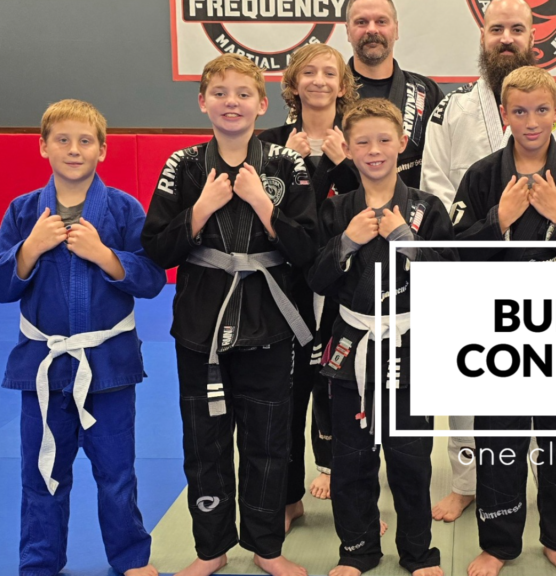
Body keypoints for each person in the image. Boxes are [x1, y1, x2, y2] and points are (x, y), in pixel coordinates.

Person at [420, 0, 556, 523]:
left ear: (533, 36)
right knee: (474, 397)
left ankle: (553, 503)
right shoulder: (448, 109)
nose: (505, 37)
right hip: (477, 273)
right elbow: (434, 188)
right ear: (482, 35)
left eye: (516, 29)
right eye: (495, 28)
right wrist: (489, 227)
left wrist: (554, 224)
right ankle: (468, 482)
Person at [141, 53, 317, 576]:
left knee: (269, 442)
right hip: (201, 329)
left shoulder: (288, 165)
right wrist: (201, 208)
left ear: (263, 104)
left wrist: (263, 204)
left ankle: (267, 549)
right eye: (220, 93)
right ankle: (210, 549)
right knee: (204, 444)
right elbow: (156, 250)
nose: (232, 102)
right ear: (202, 102)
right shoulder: (184, 165)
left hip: (269, 326)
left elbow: (309, 251)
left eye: (244, 93)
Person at [0, 99, 165, 576]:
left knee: (117, 474)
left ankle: (130, 558)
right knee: (41, 475)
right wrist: (29, 249)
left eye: (85, 141)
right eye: (62, 140)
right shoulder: (24, 213)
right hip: (42, 364)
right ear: (43, 147)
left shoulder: (122, 209)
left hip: (109, 368)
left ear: (103, 150)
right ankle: (39, 561)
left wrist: (105, 255)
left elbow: (151, 278)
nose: (74, 149)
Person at [453, 66, 556, 576]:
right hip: (497, 329)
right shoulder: (482, 176)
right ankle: (499, 544)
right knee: (498, 440)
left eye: (541, 110)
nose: (530, 121)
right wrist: (496, 222)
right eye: (519, 111)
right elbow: (453, 256)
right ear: (504, 114)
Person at [308, 98, 455, 576]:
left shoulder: (427, 209)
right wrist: (346, 242)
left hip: (411, 349)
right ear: (347, 150)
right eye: (363, 142)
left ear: (402, 144)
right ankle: (357, 550)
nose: (374, 151)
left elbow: (453, 276)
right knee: (352, 461)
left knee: (411, 461)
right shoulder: (337, 212)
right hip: (352, 347)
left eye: (384, 140)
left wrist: (403, 241)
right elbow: (315, 278)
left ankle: (418, 554)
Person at [258, 41, 360, 532]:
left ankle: (350, 497)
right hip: (289, 283)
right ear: (293, 84)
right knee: (289, 390)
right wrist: (296, 167)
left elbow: (366, 207)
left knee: (343, 389)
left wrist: (341, 166)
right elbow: (283, 224)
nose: (319, 80)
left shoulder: (358, 143)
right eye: (309, 72)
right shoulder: (270, 144)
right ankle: (288, 496)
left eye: (329, 73)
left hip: (346, 282)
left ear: (344, 85)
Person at [344, 0, 445, 188]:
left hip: (413, 212)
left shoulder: (426, 92)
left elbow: (446, 163)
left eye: (381, 21)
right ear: (348, 31)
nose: (372, 30)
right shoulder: (330, 93)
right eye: (361, 22)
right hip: (344, 212)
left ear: (396, 29)